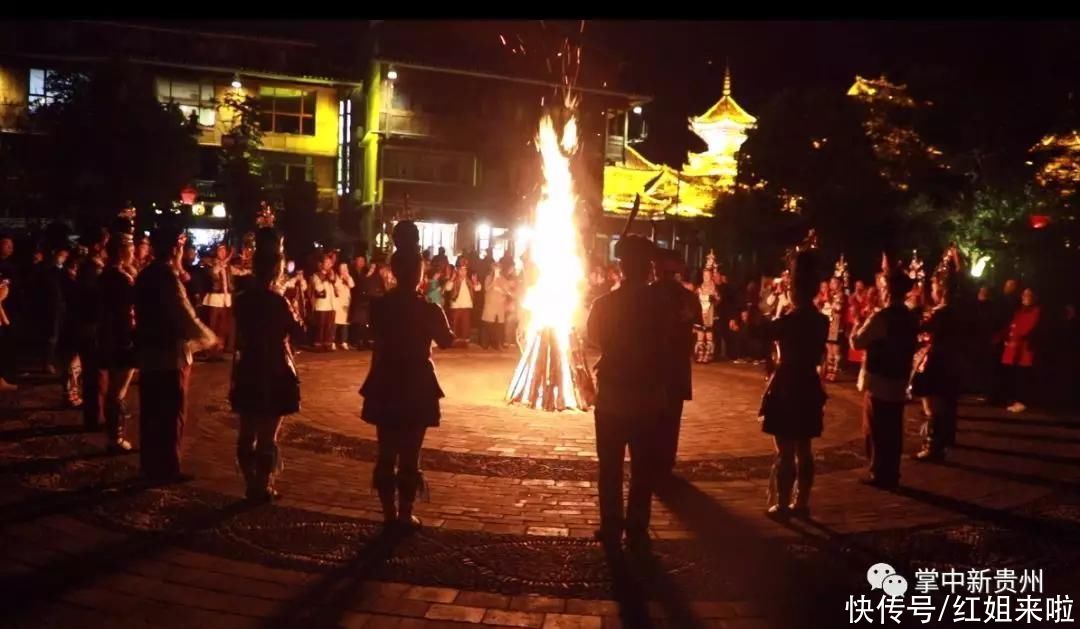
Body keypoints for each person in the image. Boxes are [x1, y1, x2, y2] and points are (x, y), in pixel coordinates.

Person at [360, 223, 454, 532]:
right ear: (418, 273)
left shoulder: (381, 307)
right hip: (416, 383)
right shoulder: (429, 309)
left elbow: (375, 333)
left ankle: (389, 513)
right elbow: (447, 340)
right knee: (410, 454)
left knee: (386, 451)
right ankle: (404, 513)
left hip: (386, 380)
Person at [587, 235, 673, 549]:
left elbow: (594, 339)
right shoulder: (661, 304)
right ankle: (637, 525)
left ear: (622, 267)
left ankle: (611, 525)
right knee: (642, 467)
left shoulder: (604, 303)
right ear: (647, 267)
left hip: (612, 394)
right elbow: (670, 343)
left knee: (609, 466)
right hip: (648, 396)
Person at [135, 227, 217, 483]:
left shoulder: (145, 274)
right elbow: (183, 313)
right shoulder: (167, 277)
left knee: (150, 411)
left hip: (148, 350)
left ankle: (149, 465)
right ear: (174, 249)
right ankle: (167, 467)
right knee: (171, 413)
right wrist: (208, 338)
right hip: (170, 353)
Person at [231, 229, 304, 502]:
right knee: (267, 435)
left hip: (248, 365)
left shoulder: (242, 300)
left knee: (247, 430)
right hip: (275, 368)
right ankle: (261, 485)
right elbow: (299, 332)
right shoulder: (278, 302)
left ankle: (251, 483)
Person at [760, 251, 828, 517]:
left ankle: (785, 502)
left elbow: (761, 332)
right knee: (804, 448)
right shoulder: (822, 321)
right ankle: (802, 502)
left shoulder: (788, 321)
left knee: (786, 449)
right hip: (809, 383)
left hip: (787, 383)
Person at [851, 269, 919, 489]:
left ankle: (879, 472)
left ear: (888, 291)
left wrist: (855, 327)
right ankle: (892, 471)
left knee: (876, 428)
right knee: (893, 429)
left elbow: (858, 342)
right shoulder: (910, 317)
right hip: (899, 378)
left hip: (880, 379)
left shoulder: (881, 317)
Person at [653, 248, 701, 477]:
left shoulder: (648, 295)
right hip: (675, 365)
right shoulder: (688, 297)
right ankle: (665, 462)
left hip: (654, 365)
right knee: (670, 418)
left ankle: (652, 461)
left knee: (652, 417)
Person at [911, 274, 963, 461]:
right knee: (945, 405)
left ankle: (932, 446)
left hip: (937, 362)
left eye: (933, 289)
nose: (931, 292)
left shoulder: (941, 314)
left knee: (932, 407)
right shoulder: (954, 312)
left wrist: (915, 311)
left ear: (941, 291)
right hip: (950, 362)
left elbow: (921, 329)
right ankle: (943, 441)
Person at [97, 233, 138, 453]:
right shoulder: (120, 278)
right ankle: (115, 437)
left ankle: (114, 434)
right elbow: (126, 311)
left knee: (115, 388)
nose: (133, 253)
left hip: (108, 335)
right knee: (118, 391)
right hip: (121, 336)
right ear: (122, 252)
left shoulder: (105, 275)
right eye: (130, 249)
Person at [75, 228, 109, 431]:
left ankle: (96, 414)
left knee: (96, 373)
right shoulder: (92, 269)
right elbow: (94, 300)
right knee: (95, 374)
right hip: (91, 326)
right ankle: (95, 416)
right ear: (97, 246)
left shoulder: (90, 267)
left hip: (90, 324)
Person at [999, 288, 1041, 413]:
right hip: (1014, 348)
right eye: (1023, 294)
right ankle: (1014, 399)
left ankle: (1022, 401)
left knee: (1023, 375)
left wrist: (1015, 337)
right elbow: (1013, 325)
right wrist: (1005, 337)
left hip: (1024, 349)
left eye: (1028, 295)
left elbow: (1027, 328)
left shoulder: (1036, 311)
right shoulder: (1019, 311)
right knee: (1014, 375)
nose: (1024, 297)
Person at [202, 243, 237, 360]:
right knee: (213, 326)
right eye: (220, 251)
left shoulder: (228, 266)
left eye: (224, 251)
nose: (222, 253)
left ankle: (219, 351)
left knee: (223, 326)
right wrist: (230, 256)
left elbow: (238, 272)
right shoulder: (211, 263)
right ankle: (210, 351)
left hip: (225, 299)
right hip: (214, 299)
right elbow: (216, 270)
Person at [446, 259, 478, 348]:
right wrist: (452, 279)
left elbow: (477, 288)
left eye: (465, 270)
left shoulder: (469, 280)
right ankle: (453, 342)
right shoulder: (454, 280)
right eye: (461, 270)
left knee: (465, 325)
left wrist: (475, 282)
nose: (463, 272)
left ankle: (464, 343)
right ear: (458, 270)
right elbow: (448, 288)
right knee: (454, 325)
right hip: (456, 306)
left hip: (466, 306)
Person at [310, 253, 338, 351]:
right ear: (322, 264)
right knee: (320, 326)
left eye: (330, 263)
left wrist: (333, 280)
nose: (329, 265)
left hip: (331, 305)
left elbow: (337, 288)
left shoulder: (333, 274)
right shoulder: (316, 275)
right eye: (327, 263)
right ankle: (318, 345)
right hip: (321, 305)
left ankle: (328, 344)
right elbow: (318, 288)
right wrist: (325, 277)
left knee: (329, 326)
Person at [480, 264, 510, 350]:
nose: (497, 269)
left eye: (498, 268)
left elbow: (507, 291)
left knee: (499, 326)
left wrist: (500, 290)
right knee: (488, 324)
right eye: (495, 268)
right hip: (490, 305)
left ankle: (498, 344)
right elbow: (487, 288)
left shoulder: (503, 279)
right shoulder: (489, 278)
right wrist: (494, 280)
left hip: (499, 306)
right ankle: (485, 343)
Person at [694, 268, 718, 363]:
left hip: (710, 314)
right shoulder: (699, 287)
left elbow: (718, 300)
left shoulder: (714, 288)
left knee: (708, 334)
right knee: (700, 334)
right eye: (704, 275)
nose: (706, 277)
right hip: (700, 313)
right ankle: (700, 354)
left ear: (711, 276)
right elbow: (695, 299)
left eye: (707, 275)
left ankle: (708, 355)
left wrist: (714, 297)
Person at [334, 261, 355, 350]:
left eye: (345, 269)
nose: (344, 270)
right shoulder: (336, 277)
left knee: (345, 324)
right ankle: (333, 341)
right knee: (335, 324)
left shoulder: (348, 277)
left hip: (346, 303)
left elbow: (352, 285)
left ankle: (344, 342)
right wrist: (341, 279)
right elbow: (336, 286)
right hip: (338, 303)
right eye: (342, 269)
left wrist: (347, 278)